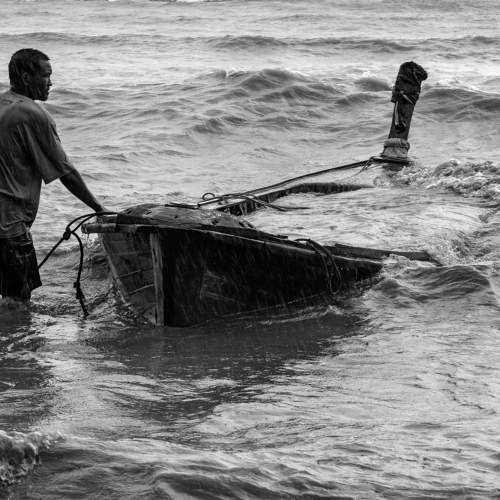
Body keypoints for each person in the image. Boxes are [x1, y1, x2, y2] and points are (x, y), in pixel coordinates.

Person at [0, 48, 105, 303]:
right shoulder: (33, 114)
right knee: (17, 301)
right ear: (27, 77)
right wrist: (99, 209)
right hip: (9, 225)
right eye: (46, 75)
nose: (51, 82)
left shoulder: (3, 103)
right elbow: (66, 171)